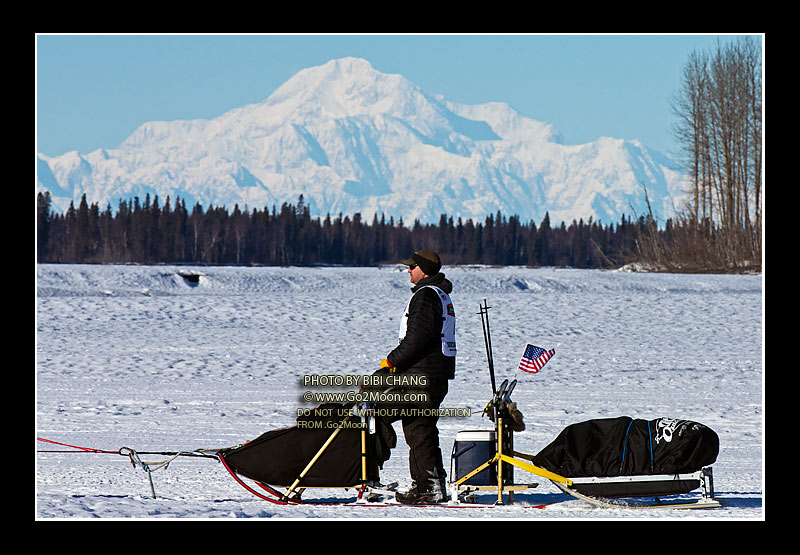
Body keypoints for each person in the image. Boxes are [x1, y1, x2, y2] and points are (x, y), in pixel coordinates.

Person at [376, 249, 457, 504]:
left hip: (422, 376)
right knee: (419, 429)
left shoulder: (426, 296)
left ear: (424, 270)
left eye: (412, 267)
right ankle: (430, 485)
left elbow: (416, 340)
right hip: (433, 375)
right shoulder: (439, 294)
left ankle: (365, 474)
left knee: (373, 410)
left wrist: (390, 363)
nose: (408, 271)